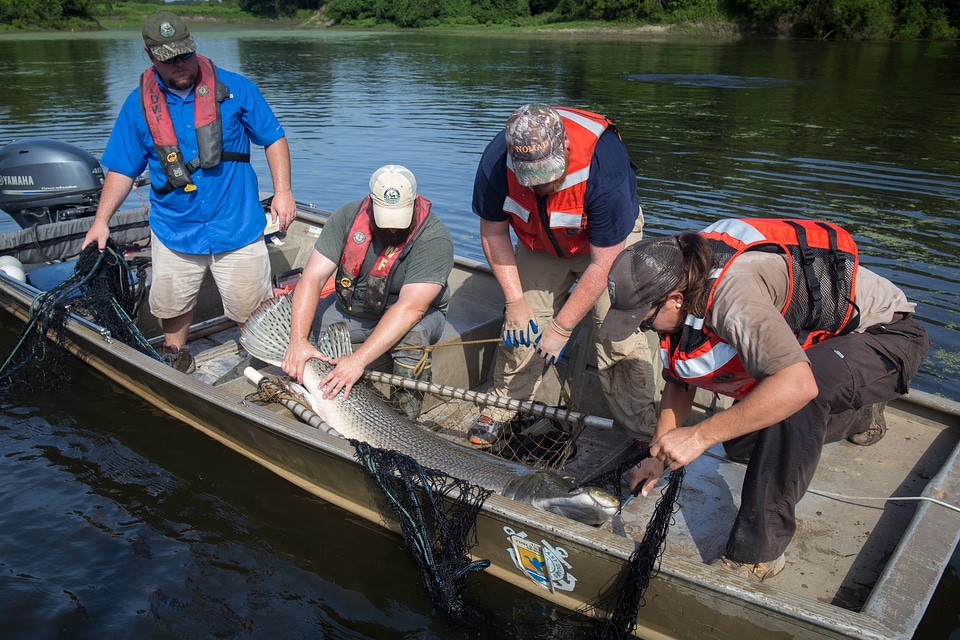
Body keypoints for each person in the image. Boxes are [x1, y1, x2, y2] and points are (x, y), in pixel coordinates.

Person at [599, 218, 930, 581]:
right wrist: (657, 457)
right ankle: (860, 415)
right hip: (822, 345)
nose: (643, 328)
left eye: (644, 321)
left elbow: (797, 385)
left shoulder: (731, 295)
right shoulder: (684, 284)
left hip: (886, 338)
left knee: (800, 392)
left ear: (675, 299)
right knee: (741, 443)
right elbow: (680, 380)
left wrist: (699, 435)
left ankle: (758, 554)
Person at [82, 11, 295, 374]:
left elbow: (273, 137)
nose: (180, 64)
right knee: (171, 305)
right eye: (169, 59)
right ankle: (176, 356)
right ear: (151, 56)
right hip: (175, 228)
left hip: (237, 224)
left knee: (252, 308)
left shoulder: (237, 88)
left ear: (193, 45)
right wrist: (101, 222)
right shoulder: (137, 106)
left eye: (185, 54)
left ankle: (258, 361)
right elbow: (121, 168)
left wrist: (283, 192)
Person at [470, 102, 656, 446]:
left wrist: (561, 327)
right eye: (532, 179)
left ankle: (644, 431)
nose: (541, 187)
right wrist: (515, 303)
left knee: (615, 332)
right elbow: (494, 233)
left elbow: (603, 264)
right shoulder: (496, 161)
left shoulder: (605, 164)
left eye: (549, 176)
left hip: (607, 246)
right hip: (542, 242)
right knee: (523, 324)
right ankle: (502, 405)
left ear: (565, 148)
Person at [281, 165, 454, 420]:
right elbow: (313, 277)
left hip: (412, 314)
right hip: (353, 308)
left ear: (415, 204)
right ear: (371, 204)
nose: (393, 229)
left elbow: (411, 308)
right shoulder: (346, 217)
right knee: (294, 324)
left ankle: (404, 421)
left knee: (413, 337)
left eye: (399, 220)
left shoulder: (435, 239)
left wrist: (358, 360)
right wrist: (298, 341)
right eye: (386, 219)